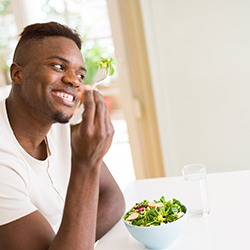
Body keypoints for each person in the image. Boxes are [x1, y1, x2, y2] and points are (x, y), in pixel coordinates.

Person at [0, 21, 125, 249]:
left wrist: (70, 242)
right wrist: (86, 163)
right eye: (58, 66)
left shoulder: (61, 127)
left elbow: (113, 198)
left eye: (80, 74)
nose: (74, 80)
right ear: (17, 74)